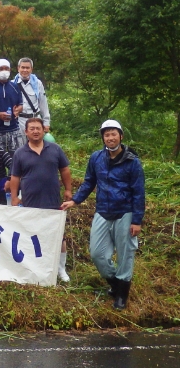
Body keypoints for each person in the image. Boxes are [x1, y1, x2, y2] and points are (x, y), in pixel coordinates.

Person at [60, 120, 145, 310]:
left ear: (121, 136)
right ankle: (116, 285)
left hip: (125, 212)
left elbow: (139, 192)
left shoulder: (132, 161)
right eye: (106, 135)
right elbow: (89, 181)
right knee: (97, 254)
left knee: (125, 255)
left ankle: (122, 295)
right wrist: (75, 200)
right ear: (103, 138)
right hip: (103, 211)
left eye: (113, 134)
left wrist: (137, 220)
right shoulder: (96, 158)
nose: (110, 138)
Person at [10, 117, 73, 282]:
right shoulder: (19, 153)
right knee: (32, 234)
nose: (36, 131)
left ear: (43, 130)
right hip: (30, 201)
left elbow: (65, 170)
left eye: (38, 128)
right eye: (32, 129)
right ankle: (35, 267)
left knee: (59, 236)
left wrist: (68, 189)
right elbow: (15, 177)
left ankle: (61, 269)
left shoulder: (55, 149)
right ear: (26, 132)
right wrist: (15, 197)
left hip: (53, 200)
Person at [13, 57, 51, 134]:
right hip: (19, 121)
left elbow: (43, 103)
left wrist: (46, 122)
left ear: (31, 69)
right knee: (20, 145)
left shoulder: (37, 83)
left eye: (27, 68)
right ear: (18, 68)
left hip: (35, 119)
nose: (25, 70)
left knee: (36, 144)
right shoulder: (12, 84)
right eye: (23, 67)